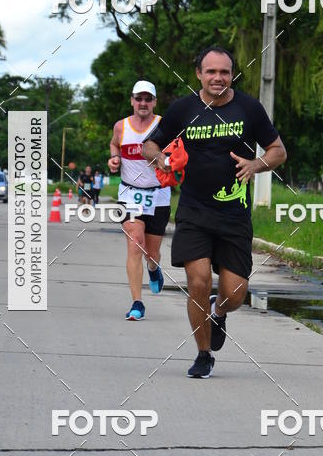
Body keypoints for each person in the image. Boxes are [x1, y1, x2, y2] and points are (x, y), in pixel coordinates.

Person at [143, 46, 287, 378]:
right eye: (211, 72)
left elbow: (278, 151)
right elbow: (150, 143)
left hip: (234, 215)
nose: (218, 78)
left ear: (231, 74)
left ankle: (218, 312)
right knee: (198, 280)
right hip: (194, 211)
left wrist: (255, 164)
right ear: (199, 74)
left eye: (224, 72)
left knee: (236, 294)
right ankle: (203, 354)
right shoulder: (183, 108)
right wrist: (161, 160)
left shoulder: (249, 108)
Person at [108, 80, 171, 321]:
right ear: (132, 101)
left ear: (154, 102)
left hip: (158, 194)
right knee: (135, 242)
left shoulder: (163, 125)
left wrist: (169, 161)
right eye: (138, 98)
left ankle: (153, 270)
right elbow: (115, 144)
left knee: (151, 252)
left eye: (148, 99)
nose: (143, 103)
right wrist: (114, 158)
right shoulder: (121, 126)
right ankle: (137, 303)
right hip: (129, 194)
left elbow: (176, 150)